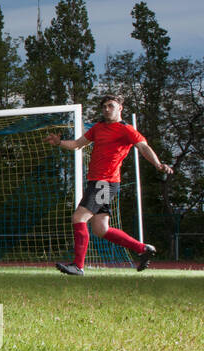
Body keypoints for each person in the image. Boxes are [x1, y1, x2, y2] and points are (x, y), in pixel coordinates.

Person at [45, 94, 173, 275]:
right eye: (104, 106)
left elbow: (143, 146)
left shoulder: (126, 129)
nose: (106, 109)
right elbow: (77, 144)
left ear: (120, 107)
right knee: (100, 229)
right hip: (98, 182)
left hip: (104, 182)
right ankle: (143, 249)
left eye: (110, 106)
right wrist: (59, 142)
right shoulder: (98, 128)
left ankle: (78, 266)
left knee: (79, 218)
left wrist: (158, 164)